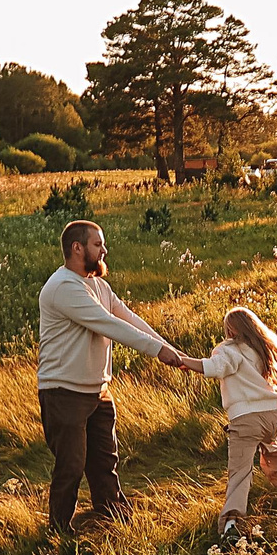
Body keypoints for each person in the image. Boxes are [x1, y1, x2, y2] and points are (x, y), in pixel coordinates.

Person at [37, 219, 184, 537]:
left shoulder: (99, 286)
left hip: (97, 390)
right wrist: (157, 351)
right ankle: (59, 533)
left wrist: (169, 349)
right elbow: (108, 325)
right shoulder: (64, 287)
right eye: (97, 244)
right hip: (64, 392)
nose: (104, 250)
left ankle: (115, 520)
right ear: (77, 248)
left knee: (105, 461)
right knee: (71, 466)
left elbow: (127, 318)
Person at [177, 305, 277, 537]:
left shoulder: (228, 349)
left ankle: (231, 523)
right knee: (273, 451)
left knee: (240, 472)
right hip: (270, 415)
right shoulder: (259, 349)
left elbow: (215, 367)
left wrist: (183, 361)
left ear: (230, 330)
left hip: (245, 419)